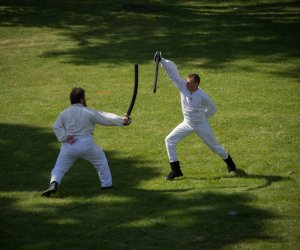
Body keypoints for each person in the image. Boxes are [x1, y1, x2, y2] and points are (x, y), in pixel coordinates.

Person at [153, 51, 238, 180]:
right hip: (187, 123)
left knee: (214, 146)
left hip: (201, 124)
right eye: (187, 81)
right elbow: (173, 73)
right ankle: (175, 170)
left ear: (197, 84)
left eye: (190, 83)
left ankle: (231, 164)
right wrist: (162, 61)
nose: (187, 84)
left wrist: (203, 117)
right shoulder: (183, 86)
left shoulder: (203, 96)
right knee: (169, 140)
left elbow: (213, 109)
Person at [41, 87, 131, 197]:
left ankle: (54, 183)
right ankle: (107, 185)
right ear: (81, 100)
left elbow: (56, 126)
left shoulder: (64, 113)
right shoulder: (89, 112)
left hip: (69, 145)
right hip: (87, 144)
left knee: (59, 167)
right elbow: (105, 117)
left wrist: (64, 137)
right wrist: (123, 120)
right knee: (101, 160)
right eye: (84, 98)